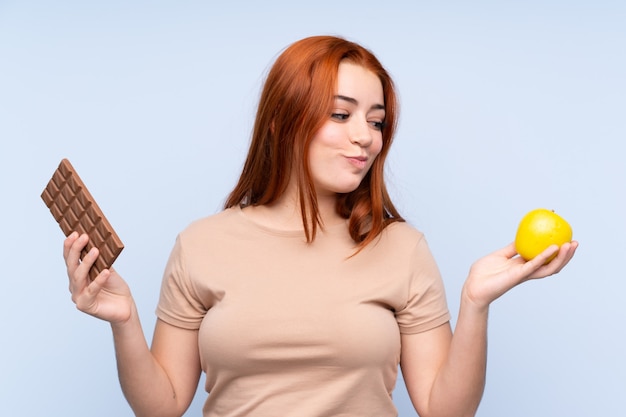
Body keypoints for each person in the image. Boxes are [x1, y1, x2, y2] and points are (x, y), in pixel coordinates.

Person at [63, 35, 578, 417]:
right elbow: (164, 404)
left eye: (376, 121)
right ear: (282, 120)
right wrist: (124, 320)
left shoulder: (400, 247)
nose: (366, 138)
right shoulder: (201, 244)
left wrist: (474, 304)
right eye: (341, 114)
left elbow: (445, 409)